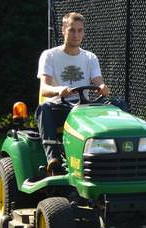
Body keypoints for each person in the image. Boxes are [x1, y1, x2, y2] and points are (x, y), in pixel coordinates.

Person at [35, 12, 110, 175]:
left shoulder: (90, 57)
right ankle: (53, 159)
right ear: (63, 30)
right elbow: (44, 89)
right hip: (60, 107)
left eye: (79, 30)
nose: (76, 35)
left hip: (85, 110)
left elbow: (98, 81)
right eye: (71, 30)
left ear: (83, 32)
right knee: (44, 109)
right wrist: (58, 90)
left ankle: (116, 154)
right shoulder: (49, 56)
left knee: (119, 105)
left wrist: (103, 87)